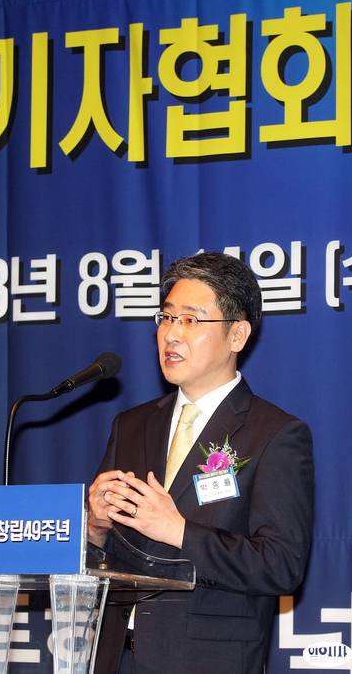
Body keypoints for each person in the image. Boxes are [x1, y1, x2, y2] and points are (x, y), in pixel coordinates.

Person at [88, 252, 314, 674]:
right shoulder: (131, 425)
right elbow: (102, 557)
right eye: (166, 318)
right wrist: (95, 528)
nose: (171, 334)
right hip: (115, 658)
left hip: (206, 660)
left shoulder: (275, 434)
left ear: (237, 335)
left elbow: (281, 565)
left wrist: (179, 531)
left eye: (191, 320)